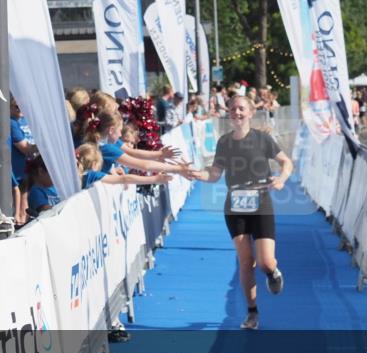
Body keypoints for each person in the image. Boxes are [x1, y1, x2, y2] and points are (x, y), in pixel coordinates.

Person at [187, 94, 293, 330]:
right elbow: (214, 174)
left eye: (241, 109)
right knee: (246, 261)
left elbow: (287, 163)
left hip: (261, 201)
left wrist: (282, 179)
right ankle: (252, 312)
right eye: (232, 109)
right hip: (235, 206)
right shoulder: (224, 142)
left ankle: (273, 272)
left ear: (251, 112)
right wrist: (198, 174)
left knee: (265, 262)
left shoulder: (263, 139)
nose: (236, 112)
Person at [75, 143, 173, 189]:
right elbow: (125, 179)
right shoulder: (93, 176)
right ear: (94, 164)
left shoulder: (72, 173)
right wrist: (154, 179)